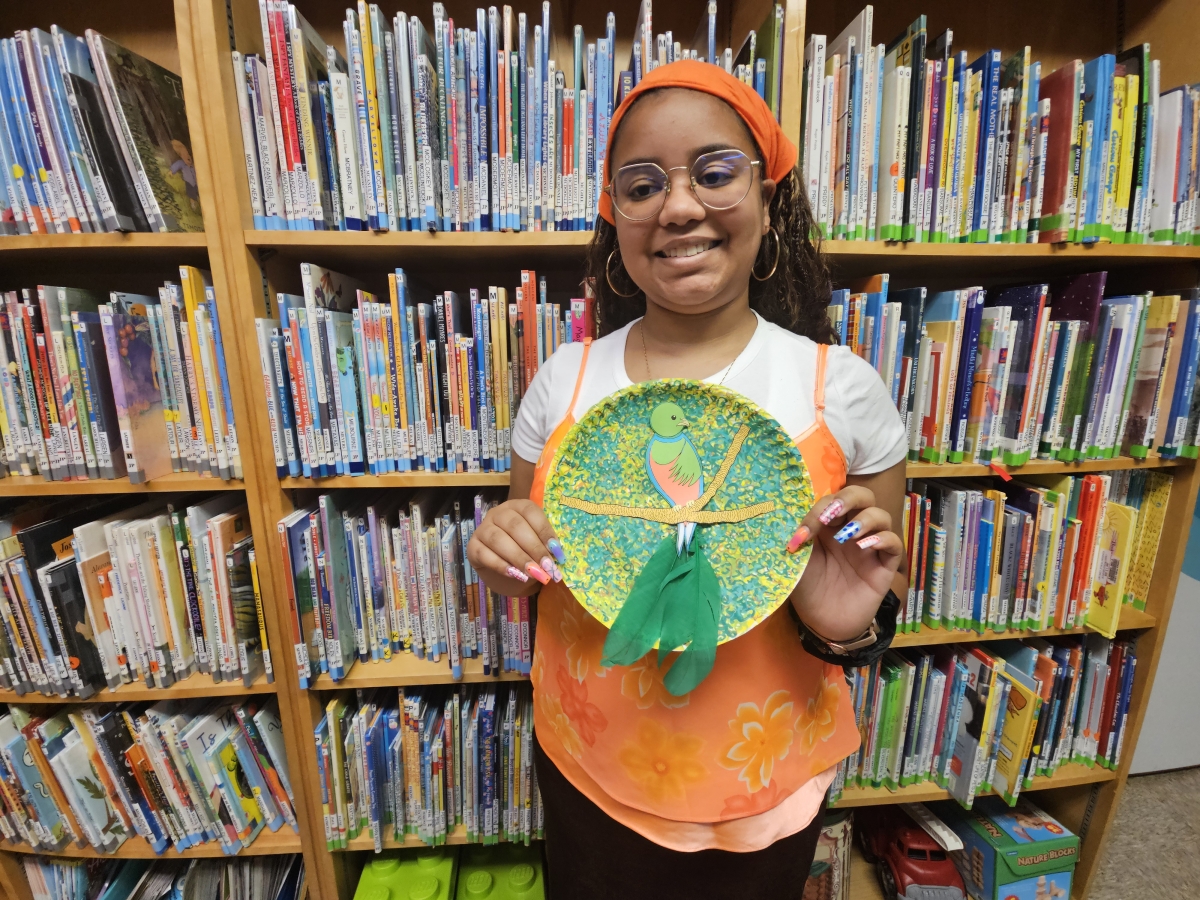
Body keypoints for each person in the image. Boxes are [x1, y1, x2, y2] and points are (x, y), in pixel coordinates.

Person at [466, 60, 908, 899]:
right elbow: (533, 570)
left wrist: (839, 625)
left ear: (769, 197)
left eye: (714, 173)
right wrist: (499, 561)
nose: (678, 206)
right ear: (616, 215)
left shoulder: (839, 389)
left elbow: (873, 598)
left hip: (762, 789)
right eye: (641, 185)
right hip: (587, 768)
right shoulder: (562, 381)